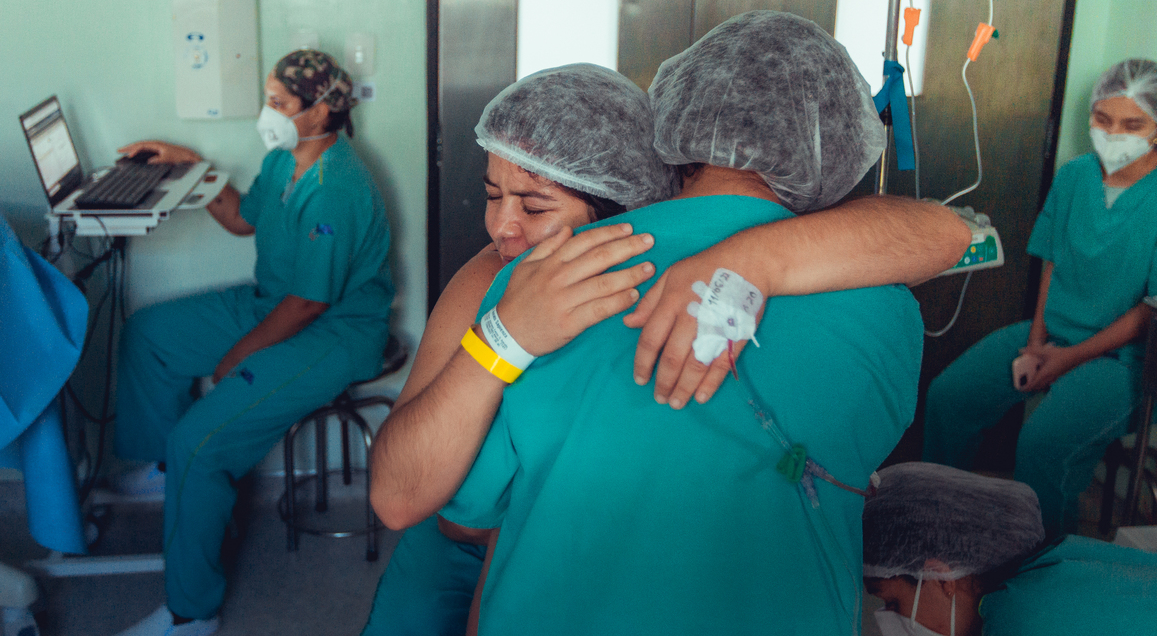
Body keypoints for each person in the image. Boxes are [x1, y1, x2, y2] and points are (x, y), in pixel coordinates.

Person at [363, 61, 967, 634]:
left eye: (535, 205)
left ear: (624, 203)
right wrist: (502, 337)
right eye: (492, 194)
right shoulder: (496, 281)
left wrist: (748, 259)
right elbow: (436, 511)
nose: (501, 228)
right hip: (459, 544)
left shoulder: (792, 261)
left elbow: (942, 233)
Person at [111, 50, 395, 636]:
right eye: (268, 98)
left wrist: (240, 354)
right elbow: (244, 220)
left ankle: (191, 614)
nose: (267, 112)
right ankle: (169, 478)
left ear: (321, 112)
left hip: (333, 330)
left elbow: (311, 302)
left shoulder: (334, 188)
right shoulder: (282, 159)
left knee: (201, 440)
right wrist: (193, 166)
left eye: (278, 103)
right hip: (275, 304)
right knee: (149, 334)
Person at [923, 58, 1157, 539]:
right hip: (1054, 331)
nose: (1115, 134)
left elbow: (1154, 311)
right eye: (1103, 119)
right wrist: (1035, 344)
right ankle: (936, 526)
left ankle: (1042, 571)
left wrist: (1067, 359)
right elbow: (1050, 260)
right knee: (950, 399)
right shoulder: (1074, 177)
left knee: (1044, 445)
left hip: (1127, 358)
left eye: (1133, 124)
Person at [862, 462, 1157, 636]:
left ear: (941, 576)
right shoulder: (1060, 558)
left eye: (894, 602)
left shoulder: (1022, 620)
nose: (887, 620)